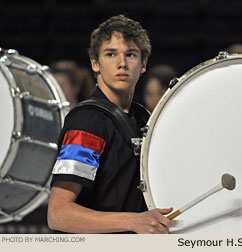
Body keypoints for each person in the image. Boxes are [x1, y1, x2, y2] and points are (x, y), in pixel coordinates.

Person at [47, 15, 173, 234]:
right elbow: (59, 214)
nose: (121, 63)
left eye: (131, 55)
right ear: (95, 63)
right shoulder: (86, 123)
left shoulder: (144, 118)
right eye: (111, 54)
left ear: (143, 64)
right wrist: (134, 222)